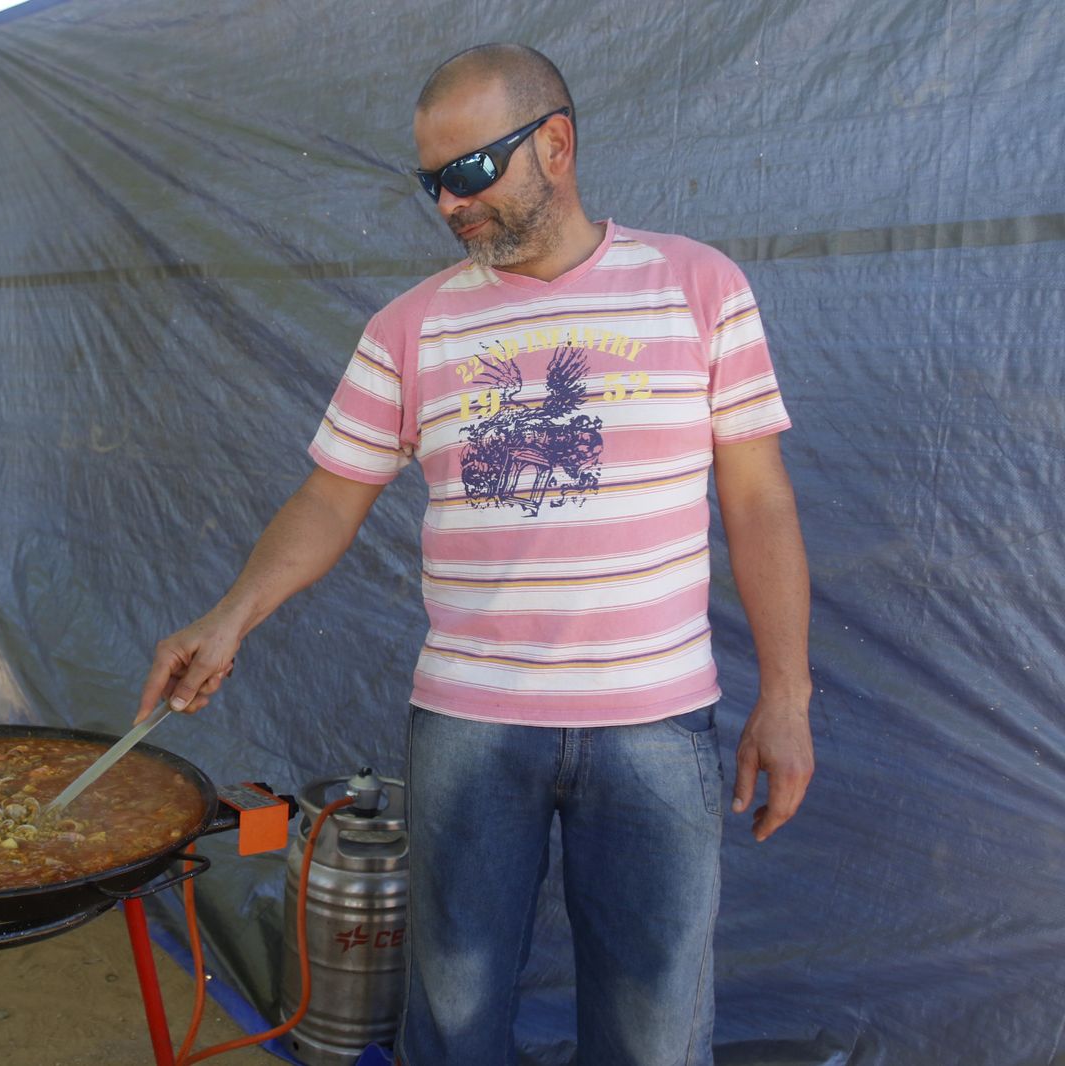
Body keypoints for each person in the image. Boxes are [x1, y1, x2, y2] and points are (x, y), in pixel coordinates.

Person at [138, 43, 814, 1066]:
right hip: (471, 726)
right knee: (453, 1022)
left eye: (470, 171)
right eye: (431, 183)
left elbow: (759, 502)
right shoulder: (408, 329)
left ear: (556, 144)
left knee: (655, 1029)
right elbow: (329, 497)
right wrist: (228, 616)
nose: (450, 204)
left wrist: (788, 694)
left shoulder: (697, 288)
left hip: (654, 720)